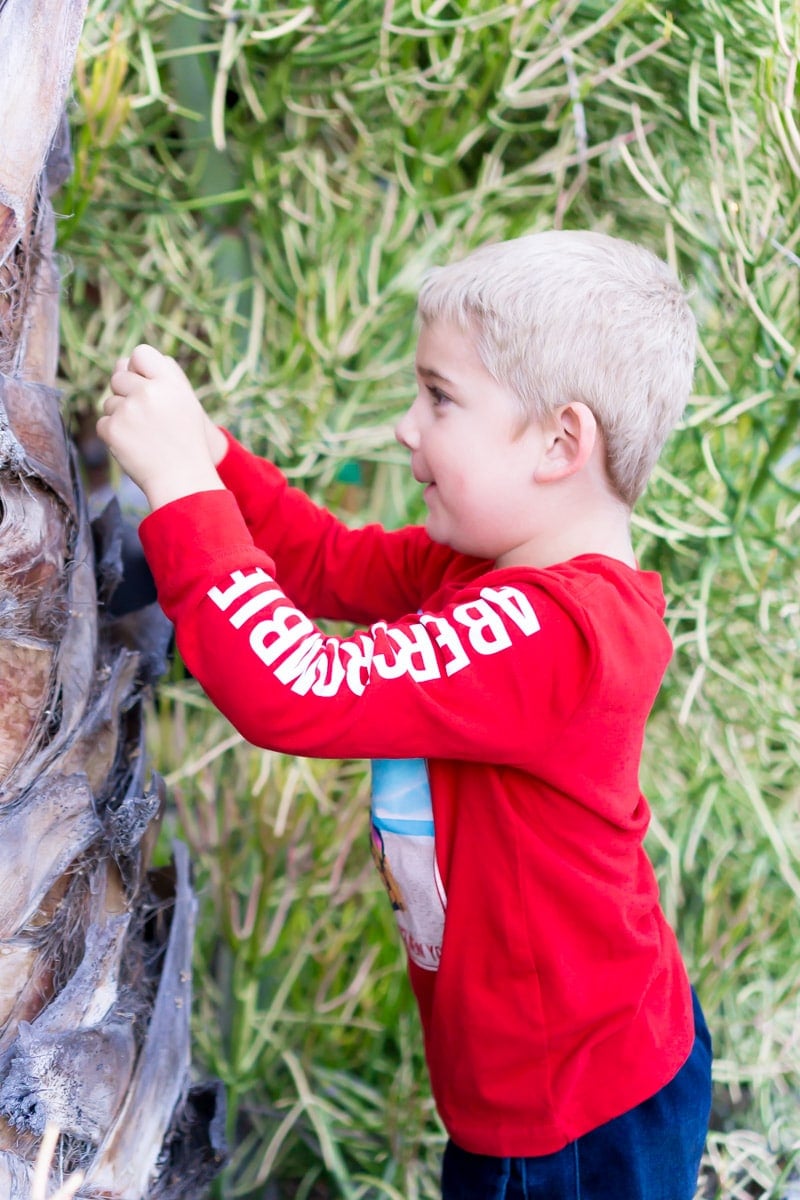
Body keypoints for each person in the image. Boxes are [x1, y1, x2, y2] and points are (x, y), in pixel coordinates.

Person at [97, 229, 713, 1200]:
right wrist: (210, 458)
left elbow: (295, 687)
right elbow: (325, 563)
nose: (404, 426)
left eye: (439, 397)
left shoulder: (560, 632)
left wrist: (179, 493)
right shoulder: (484, 569)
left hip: (576, 1121)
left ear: (560, 442)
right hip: (543, 1090)